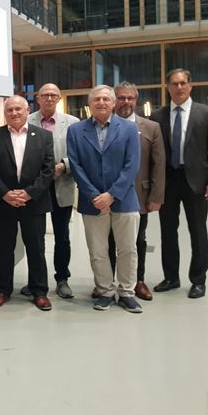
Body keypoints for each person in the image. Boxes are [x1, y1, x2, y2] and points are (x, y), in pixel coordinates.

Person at [67, 85, 142, 313]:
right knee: (98, 251)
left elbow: (132, 165)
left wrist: (112, 194)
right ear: (90, 104)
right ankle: (105, 291)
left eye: (106, 99)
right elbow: (76, 166)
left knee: (128, 249)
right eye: (96, 99)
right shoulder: (76, 131)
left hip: (124, 199)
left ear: (113, 103)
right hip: (92, 202)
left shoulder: (129, 129)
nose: (101, 103)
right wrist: (94, 195)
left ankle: (127, 292)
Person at [151, 68, 208, 299]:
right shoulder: (158, 116)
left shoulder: (207, 114)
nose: (179, 87)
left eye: (183, 83)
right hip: (168, 181)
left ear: (190, 86)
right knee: (167, 232)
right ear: (168, 87)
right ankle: (171, 277)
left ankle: (198, 280)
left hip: (197, 182)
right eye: (174, 83)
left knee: (198, 231)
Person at [0, 96, 55, 311]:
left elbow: (48, 170)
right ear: (5, 113)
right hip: (3, 203)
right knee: (4, 249)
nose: (14, 113)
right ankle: (3, 290)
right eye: (9, 110)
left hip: (34, 203)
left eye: (18, 109)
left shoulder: (43, 136)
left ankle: (39, 291)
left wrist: (29, 194)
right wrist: (5, 193)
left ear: (27, 110)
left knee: (36, 248)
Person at [107, 82, 165, 301]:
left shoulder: (151, 127)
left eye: (130, 98)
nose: (126, 102)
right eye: (121, 98)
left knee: (137, 240)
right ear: (115, 100)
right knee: (109, 240)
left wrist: (156, 196)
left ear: (136, 100)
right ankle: (108, 282)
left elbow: (158, 164)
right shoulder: (103, 125)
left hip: (139, 195)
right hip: (108, 195)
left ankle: (137, 281)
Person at [24, 83, 79, 299]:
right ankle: (35, 280)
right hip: (35, 188)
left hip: (61, 185)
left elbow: (79, 153)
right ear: (38, 98)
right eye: (45, 95)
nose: (49, 98)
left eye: (53, 95)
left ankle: (62, 279)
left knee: (62, 236)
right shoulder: (27, 121)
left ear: (59, 98)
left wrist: (64, 165)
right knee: (34, 237)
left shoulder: (72, 123)